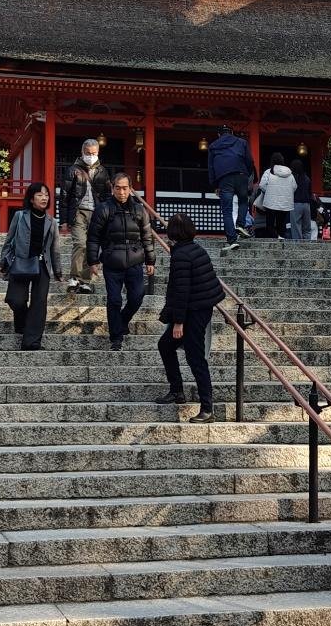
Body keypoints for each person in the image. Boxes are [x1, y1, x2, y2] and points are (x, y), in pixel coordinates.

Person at [157, 211, 225, 422]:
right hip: (199, 308)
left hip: (192, 313)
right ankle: (177, 390)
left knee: (195, 358)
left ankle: (207, 408)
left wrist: (178, 322)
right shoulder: (196, 249)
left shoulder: (180, 255)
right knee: (165, 345)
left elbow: (181, 290)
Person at [87, 170, 156, 352]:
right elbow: (93, 237)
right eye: (118, 188)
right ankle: (116, 337)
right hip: (112, 261)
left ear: (131, 189)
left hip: (135, 260)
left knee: (137, 297)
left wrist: (151, 260)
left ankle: (123, 320)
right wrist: (93, 260)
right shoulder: (103, 209)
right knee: (114, 300)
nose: (122, 192)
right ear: (112, 188)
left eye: (125, 188)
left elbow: (147, 237)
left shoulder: (140, 210)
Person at [0, 182, 63, 350]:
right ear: (32, 198)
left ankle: (31, 342)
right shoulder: (20, 216)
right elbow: (9, 240)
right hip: (20, 261)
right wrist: (2, 262)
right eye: (40, 195)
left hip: (42, 264)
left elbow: (54, 248)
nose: (44, 198)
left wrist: (58, 270)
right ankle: (23, 324)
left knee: (39, 303)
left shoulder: (51, 221)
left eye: (46, 195)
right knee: (15, 300)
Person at [60, 138, 111, 295]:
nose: (91, 156)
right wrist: (63, 220)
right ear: (82, 152)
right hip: (78, 211)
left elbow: (107, 194)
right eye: (88, 153)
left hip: (96, 212)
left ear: (98, 153)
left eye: (94, 153)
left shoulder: (103, 171)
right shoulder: (73, 170)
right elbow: (64, 195)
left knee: (92, 246)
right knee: (81, 243)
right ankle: (75, 277)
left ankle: (85, 281)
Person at [207, 123, 256, 252]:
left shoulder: (213, 146)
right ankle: (240, 224)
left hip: (224, 178)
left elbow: (211, 168)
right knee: (243, 200)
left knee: (227, 210)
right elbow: (250, 161)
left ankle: (232, 240)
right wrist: (248, 173)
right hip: (241, 175)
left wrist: (215, 185)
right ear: (232, 133)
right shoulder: (242, 142)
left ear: (219, 134)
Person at [253, 157, 298, 239]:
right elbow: (294, 187)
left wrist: (270, 192)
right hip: (285, 202)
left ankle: (274, 238)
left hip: (271, 202)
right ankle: (280, 238)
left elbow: (262, 185)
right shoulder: (290, 174)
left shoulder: (268, 172)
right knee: (281, 222)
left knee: (270, 223)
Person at [289, 164, 315, 244]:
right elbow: (310, 192)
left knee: (296, 226)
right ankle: (307, 243)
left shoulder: (293, 178)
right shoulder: (307, 178)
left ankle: (298, 244)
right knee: (307, 227)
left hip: (296, 203)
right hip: (306, 204)